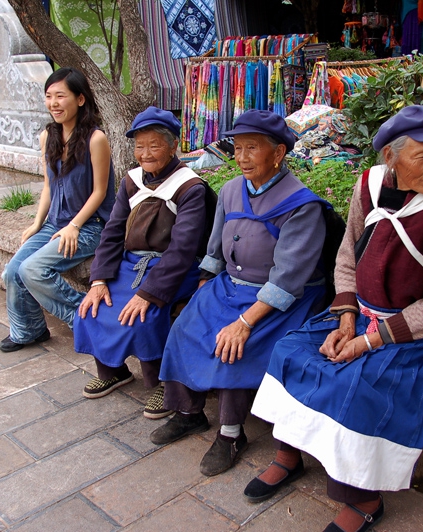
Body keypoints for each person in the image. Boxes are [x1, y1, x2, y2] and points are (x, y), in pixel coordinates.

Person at [245, 105, 423, 532]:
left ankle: (365, 500)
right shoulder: (369, 185)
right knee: (289, 353)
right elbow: (347, 255)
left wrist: (371, 340)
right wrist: (346, 319)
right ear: (390, 157)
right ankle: (287, 454)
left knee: (356, 384)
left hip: (412, 330)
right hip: (358, 312)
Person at [151, 110, 329, 477]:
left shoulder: (302, 205)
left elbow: (287, 281)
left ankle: (231, 433)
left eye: (252, 148)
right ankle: (188, 413)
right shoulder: (232, 190)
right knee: (187, 325)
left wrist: (243, 322)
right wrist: (204, 294)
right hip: (230, 286)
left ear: (278, 153)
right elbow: (214, 252)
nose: (242, 157)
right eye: (238, 148)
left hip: (280, 299)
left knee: (233, 343)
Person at [73, 107, 207, 419]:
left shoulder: (190, 187)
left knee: (143, 316)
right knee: (92, 308)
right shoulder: (131, 181)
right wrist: (98, 280)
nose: (144, 154)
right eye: (139, 146)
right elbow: (112, 233)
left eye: (154, 145)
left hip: (172, 270)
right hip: (130, 264)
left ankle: (164, 381)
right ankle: (113, 370)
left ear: (173, 146)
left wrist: (148, 293)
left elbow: (183, 250)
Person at [0, 67, 116, 353]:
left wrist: (74, 226)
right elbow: (49, 187)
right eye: (49, 96)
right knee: (12, 272)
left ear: (79, 99)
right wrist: (37, 224)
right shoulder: (47, 137)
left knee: (33, 269)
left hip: (89, 226)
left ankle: (87, 317)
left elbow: (100, 192)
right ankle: (29, 330)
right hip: (55, 223)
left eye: (60, 96)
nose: (53, 103)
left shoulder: (95, 139)